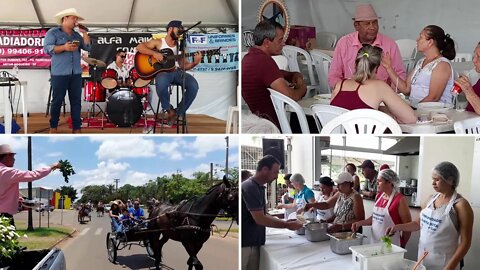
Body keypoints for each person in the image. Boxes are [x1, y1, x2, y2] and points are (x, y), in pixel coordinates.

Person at [386, 162, 473, 270]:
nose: (433, 183)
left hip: (445, 263)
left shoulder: (461, 205)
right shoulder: (430, 199)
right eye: (433, 179)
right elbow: (418, 223)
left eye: (437, 179)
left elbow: (466, 242)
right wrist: (398, 227)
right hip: (423, 260)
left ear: (450, 180)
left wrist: (450, 267)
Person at [242, 20, 307, 130]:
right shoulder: (264, 62)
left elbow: (277, 74)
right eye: (280, 40)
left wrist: (294, 75)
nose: (283, 44)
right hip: (275, 126)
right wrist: (303, 88)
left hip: (259, 123)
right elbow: (290, 96)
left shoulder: (249, 58)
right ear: (267, 42)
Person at [242, 155, 303, 270]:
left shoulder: (259, 187)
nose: (276, 176)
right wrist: (287, 225)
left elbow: (264, 215)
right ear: (265, 169)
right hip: (246, 245)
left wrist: (285, 221)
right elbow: (260, 218)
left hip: (254, 242)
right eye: (275, 172)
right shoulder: (250, 187)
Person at [330, 44, 416, 124]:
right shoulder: (380, 86)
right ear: (376, 68)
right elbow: (410, 119)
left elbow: (352, 108)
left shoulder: (339, 85)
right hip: (369, 138)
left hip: (338, 137)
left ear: (356, 64)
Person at [136, 20, 202, 122]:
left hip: (176, 72)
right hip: (163, 73)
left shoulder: (180, 46)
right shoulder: (158, 42)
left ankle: (177, 113)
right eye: (178, 29)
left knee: (194, 86)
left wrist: (194, 63)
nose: (180, 31)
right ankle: (168, 109)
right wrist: (154, 54)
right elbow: (139, 47)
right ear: (170, 29)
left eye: (181, 30)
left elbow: (183, 65)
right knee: (161, 82)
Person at [328, 4, 405, 88]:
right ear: (356, 26)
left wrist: (386, 93)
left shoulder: (390, 45)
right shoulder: (344, 43)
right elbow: (333, 77)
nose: (372, 27)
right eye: (367, 24)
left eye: (374, 22)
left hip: (380, 95)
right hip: (351, 92)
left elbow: (400, 76)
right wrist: (349, 90)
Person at [382, 25, 456, 107]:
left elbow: (433, 98)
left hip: (436, 112)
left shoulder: (442, 65)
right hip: (418, 109)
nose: (417, 40)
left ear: (430, 42)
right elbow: (406, 89)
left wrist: (413, 109)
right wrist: (389, 68)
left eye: (420, 37)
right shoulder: (421, 62)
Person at [44, 8, 91, 133]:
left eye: (76, 18)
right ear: (65, 18)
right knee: (57, 101)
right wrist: (64, 47)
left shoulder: (77, 35)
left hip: (75, 73)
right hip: (59, 73)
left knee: (76, 101)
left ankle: (77, 128)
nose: (76, 21)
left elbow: (87, 47)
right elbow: (47, 49)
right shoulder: (53, 33)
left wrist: (85, 33)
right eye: (73, 18)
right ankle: (53, 126)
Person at [0, 144, 61, 226]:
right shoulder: (7, 172)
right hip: (4, 215)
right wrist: (52, 167)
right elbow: (33, 175)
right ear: (7, 156)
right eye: (13, 157)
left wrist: (18, 198)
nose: (14, 160)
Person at [351, 169, 412, 248]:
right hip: (375, 241)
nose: (377, 183)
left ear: (389, 182)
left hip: (391, 244)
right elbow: (375, 218)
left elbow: (407, 226)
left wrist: (402, 245)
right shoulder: (379, 196)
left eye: (379, 181)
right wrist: (360, 223)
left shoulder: (400, 199)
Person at [455, 42, 480, 115]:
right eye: (474, 55)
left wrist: (468, 90)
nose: (474, 60)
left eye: (478, 56)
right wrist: (462, 86)